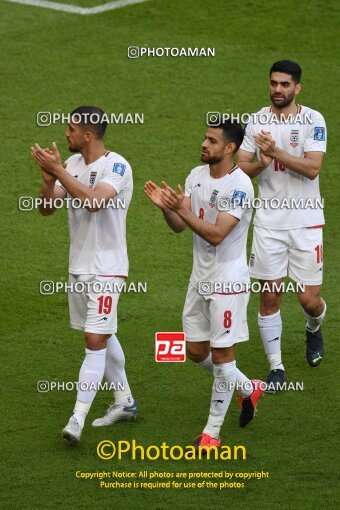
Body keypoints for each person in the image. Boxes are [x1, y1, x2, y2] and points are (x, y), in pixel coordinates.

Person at [145, 120, 263, 450]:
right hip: (200, 280)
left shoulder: (239, 186)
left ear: (230, 149)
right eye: (204, 138)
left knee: (223, 356)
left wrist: (181, 209)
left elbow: (215, 233)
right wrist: (168, 210)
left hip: (228, 282)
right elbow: (180, 227)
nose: (204, 144)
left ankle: (212, 432)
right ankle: (247, 388)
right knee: (196, 351)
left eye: (212, 141)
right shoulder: (195, 176)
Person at [31, 105, 138, 444]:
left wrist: (59, 172)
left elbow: (94, 201)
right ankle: (125, 401)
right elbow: (47, 208)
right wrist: (49, 180)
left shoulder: (116, 166)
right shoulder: (73, 165)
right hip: (79, 267)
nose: (66, 133)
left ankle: (76, 418)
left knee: (94, 341)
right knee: (102, 335)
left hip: (108, 269)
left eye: (71, 129)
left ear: (88, 135)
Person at [237, 61, 327, 392]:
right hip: (268, 225)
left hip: (306, 223)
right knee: (269, 296)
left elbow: (313, 168)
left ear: (297, 88)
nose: (278, 89)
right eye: (274, 83)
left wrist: (274, 151)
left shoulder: (313, 120)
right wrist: (260, 162)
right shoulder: (257, 121)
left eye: (285, 84)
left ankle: (313, 327)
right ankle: (276, 367)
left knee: (308, 300)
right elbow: (241, 167)